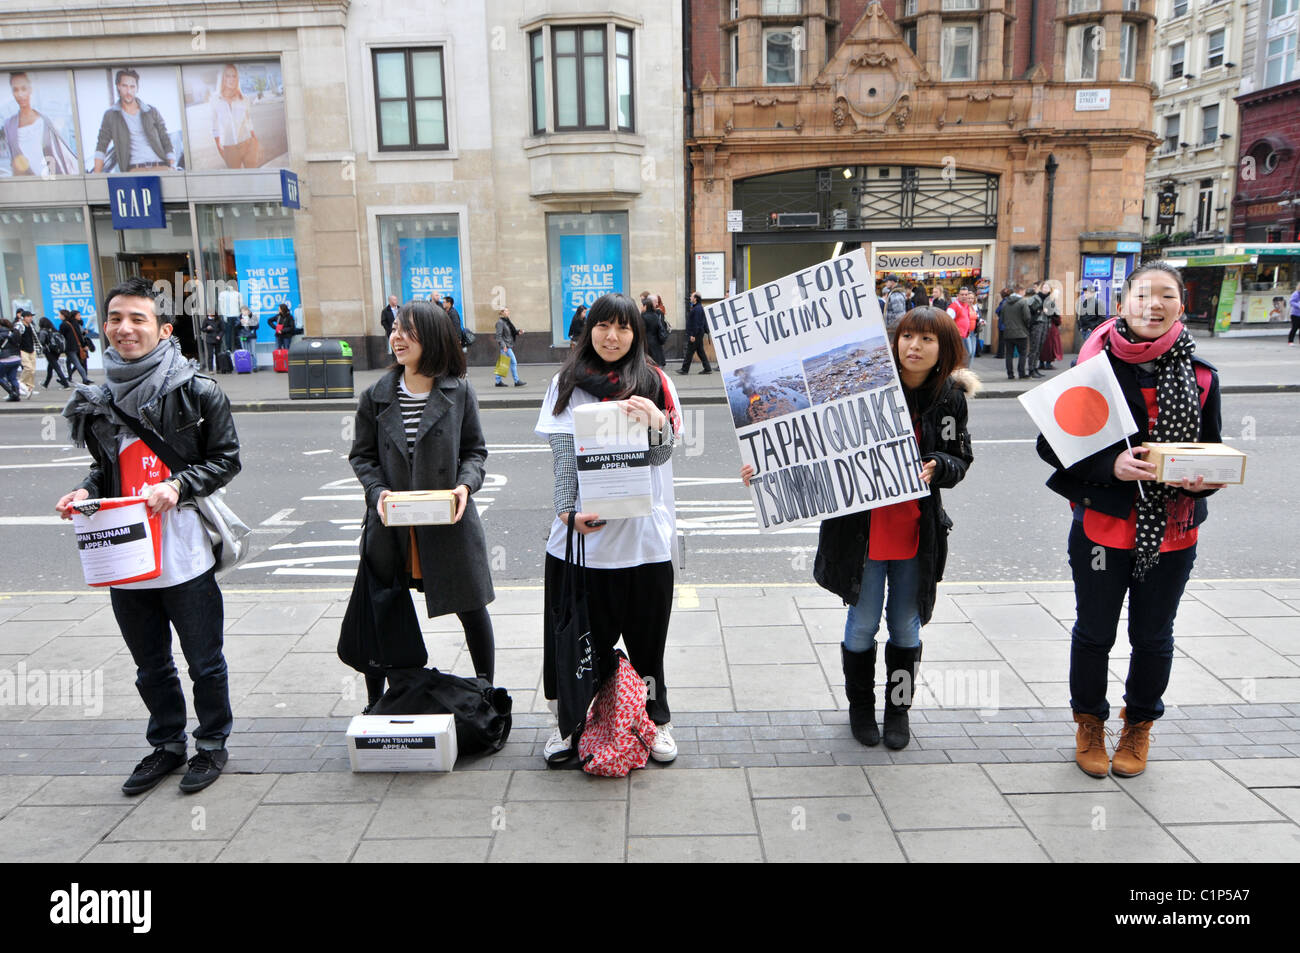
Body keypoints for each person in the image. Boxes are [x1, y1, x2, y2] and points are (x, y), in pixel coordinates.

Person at [742, 307, 975, 749]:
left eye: (927, 339)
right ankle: (860, 709)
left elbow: (961, 457)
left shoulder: (949, 399)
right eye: (908, 336)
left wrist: (940, 465)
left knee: (906, 628)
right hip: (861, 533)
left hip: (915, 534)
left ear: (945, 348)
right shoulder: (867, 387)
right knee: (861, 624)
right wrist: (766, 469)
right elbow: (812, 442)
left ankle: (898, 712)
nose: (914, 346)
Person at [1037, 261, 1224, 780]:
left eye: (1166, 296)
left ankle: (1138, 724)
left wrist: (1202, 478)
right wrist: (1110, 466)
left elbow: (1210, 450)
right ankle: (1089, 723)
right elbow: (1049, 446)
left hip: (1173, 531)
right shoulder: (1091, 369)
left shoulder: (1203, 376)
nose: (1153, 305)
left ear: (1181, 307)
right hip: (1102, 527)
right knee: (1094, 633)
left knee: (1153, 636)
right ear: (1123, 304)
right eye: (1143, 295)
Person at [55, 276, 241, 795]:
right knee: (149, 663)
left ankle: (210, 744)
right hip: (123, 550)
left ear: (162, 330)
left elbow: (226, 460)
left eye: (138, 319)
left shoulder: (199, 390)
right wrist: (81, 491)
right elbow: (106, 469)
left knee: (204, 660)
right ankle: (166, 744)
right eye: (116, 318)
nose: (125, 328)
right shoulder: (97, 397)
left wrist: (179, 486)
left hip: (183, 551)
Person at [536, 293, 682, 765]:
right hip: (583, 545)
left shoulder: (655, 381)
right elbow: (562, 460)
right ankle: (572, 725)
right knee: (579, 644)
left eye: (623, 328)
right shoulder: (566, 384)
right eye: (603, 326)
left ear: (637, 333)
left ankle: (656, 721)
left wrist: (657, 421)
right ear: (588, 330)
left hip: (644, 545)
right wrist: (566, 514)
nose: (612, 336)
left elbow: (662, 456)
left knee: (648, 645)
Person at [348, 300, 497, 709]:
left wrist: (465, 487)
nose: (396, 338)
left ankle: (486, 689)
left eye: (406, 330)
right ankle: (376, 699)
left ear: (430, 338)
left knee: (471, 606)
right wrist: (377, 493)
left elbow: (475, 452)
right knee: (384, 609)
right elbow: (362, 456)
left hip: (450, 521)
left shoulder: (459, 391)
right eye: (394, 329)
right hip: (390, 525)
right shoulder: (375, 397)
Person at [93, 68, 177, 173]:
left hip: (161, 166)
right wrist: (96, 176)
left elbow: (165, 139)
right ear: (118, 86)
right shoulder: (111, 115)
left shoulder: (151, 111)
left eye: (132, 87)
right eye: (125, 86)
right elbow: (101, 145)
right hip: (135, 170)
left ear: (137, 88)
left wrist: (172, 166)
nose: (129, 91)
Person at [3, 72, 78, 176]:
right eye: (16, 90)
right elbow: (12, 161)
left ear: (30, 89)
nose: (20, 94)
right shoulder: (9, 125)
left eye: (23, 89)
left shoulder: (45, 121)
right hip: (26, 186)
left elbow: (59, 155)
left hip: (51, 182)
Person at [210, 63, 260, 169]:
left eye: (234, 76)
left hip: (247, 143)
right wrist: (220, 148)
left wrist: (255, 142)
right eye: (228, 76)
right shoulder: (215, 100)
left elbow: (248, 122)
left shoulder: (244, 99)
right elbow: (215, 128)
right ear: (223, 78)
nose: (231, 79)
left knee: (253, 179)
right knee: (237, 181)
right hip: (229, 147)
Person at [677, 291, 712, 375]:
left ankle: (684, 370)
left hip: (696, 334)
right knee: (700, 351)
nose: (690, 298)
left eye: (692, 296)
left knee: (689, 351)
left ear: (695, 299)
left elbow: (697, 323)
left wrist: (693, 335)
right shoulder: (697, 307)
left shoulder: (697, 309)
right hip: (698, 333)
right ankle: (707, 368)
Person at [1023, 281, 1049, 378]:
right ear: (1041, 288)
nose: (1046, 289)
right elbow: (1028, 308)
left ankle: (1035, 367)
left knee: (1039, 347)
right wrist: (1039, 310)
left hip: (1045, 323)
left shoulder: (1049, 299)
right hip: (1036, 323)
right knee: (1034, 347)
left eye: (1048, 288)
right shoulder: (1035, 298)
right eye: (1045, 287)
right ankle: (1031, 369)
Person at [493, 307, 525, 387]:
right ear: (502, 312)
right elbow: (498, 336)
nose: (508, 312)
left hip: (508, 345)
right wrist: (503, 345)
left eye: (508, 310)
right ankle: (516, 381)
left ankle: (498, 381)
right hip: (506, 346)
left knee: (503, 363)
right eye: (506, 311)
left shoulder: (507, 322)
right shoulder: (500, 322)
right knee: (513, 362)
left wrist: (518, 332)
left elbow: (511, 332)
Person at [59, 308, 92, 384]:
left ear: (63, 315)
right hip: (75, 346)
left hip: (70, 347)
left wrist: (84, 345)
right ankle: (69, 377)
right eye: (79, 315)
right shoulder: (72, 324)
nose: (59, 316)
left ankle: (84, 379)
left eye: (60, 315)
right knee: (70, 362)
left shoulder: (66, 324)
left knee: (77, 363)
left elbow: (61, 336)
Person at [38, 317, 71, 389]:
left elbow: (42, 342)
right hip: (56, 351)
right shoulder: (53, 330)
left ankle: (66, 384)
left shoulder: (43, 331)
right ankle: (46, 383)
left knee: (56, 367)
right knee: (50, 367)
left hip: (49, 352)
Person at [946, 286, 976, 361]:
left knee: (968, 354)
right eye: (962, 294)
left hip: (965, 334)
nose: (964, 296)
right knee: (963, 355)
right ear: (958, 295)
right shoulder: (953, 306)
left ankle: (964, 370)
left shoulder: (966, 305)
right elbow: (947, 321)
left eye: (966, 295)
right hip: (957, 335)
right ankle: (961, 370)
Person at [15, 308, 37, 396]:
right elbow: (15, 337)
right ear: (23, 317)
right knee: (28, 368)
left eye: (31, 316)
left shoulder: (31, 325)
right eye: (28, 316)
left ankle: (29, 388)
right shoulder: (19, 325)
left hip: (31, 349)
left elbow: (34, 338)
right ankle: (20, 383)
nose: (30, 318)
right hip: (22, 350)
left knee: (32, 370)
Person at [641, 295, 667, 367]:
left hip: (646, 343)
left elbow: (641, 330)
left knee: (647, 364)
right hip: (656, 343)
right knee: (655, 364)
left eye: (643, 306)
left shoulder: (643, 316)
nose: (641, 307)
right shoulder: (655, 315)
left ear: (645, 306)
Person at [0, 317, 22, 401]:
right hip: (16, 358)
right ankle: (16, 395)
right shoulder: (14, 332)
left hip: (4, 360)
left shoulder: (1, 334)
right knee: (13, 378)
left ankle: (12, 393)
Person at [218, 283, 242, 354]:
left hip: (236, 315)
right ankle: (228, 348)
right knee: (228, 333)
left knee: (237, 332)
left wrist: (240, 315)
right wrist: (224, 315)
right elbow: (221, 305)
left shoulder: (237, 294)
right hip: (227, 315)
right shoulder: (222, 294)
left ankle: (238, 347)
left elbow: (241, 304)